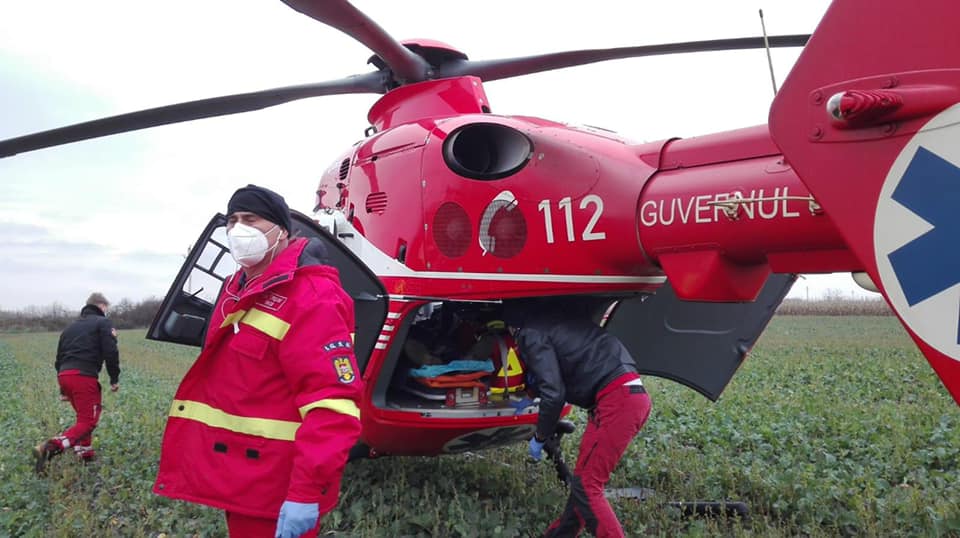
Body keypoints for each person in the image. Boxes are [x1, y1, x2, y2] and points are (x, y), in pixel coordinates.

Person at [153, 184, 363, 538]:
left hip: (278, 488)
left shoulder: (312, 298)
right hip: (242, 479)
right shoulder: (239, 288)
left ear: (281, 230)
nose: (238, 230)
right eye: (232, 221)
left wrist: (304, 493)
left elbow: (333, 409)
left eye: (250, 219)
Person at [505, 301, 652, 538]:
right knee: (582, 483)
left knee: (587, 486)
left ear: (511, 325)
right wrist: (532, 394)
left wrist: (541, 435)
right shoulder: (559, 319)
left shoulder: (529, 332)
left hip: (617, 402)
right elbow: (570, 362)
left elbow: (554, 393)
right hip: (626, 396)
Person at [33, 292, 120, 472]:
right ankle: (50, 447)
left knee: (83, 417)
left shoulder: (70, 328)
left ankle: (85, 452)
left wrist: (63, 390)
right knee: (88, 421)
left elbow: (59, 359)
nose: (106, 312)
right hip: (84, 377)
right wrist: (114, 378)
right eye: (106, 308)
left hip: (65, 376)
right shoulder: (103, 322)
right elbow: (111, 352)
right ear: (101, 306)